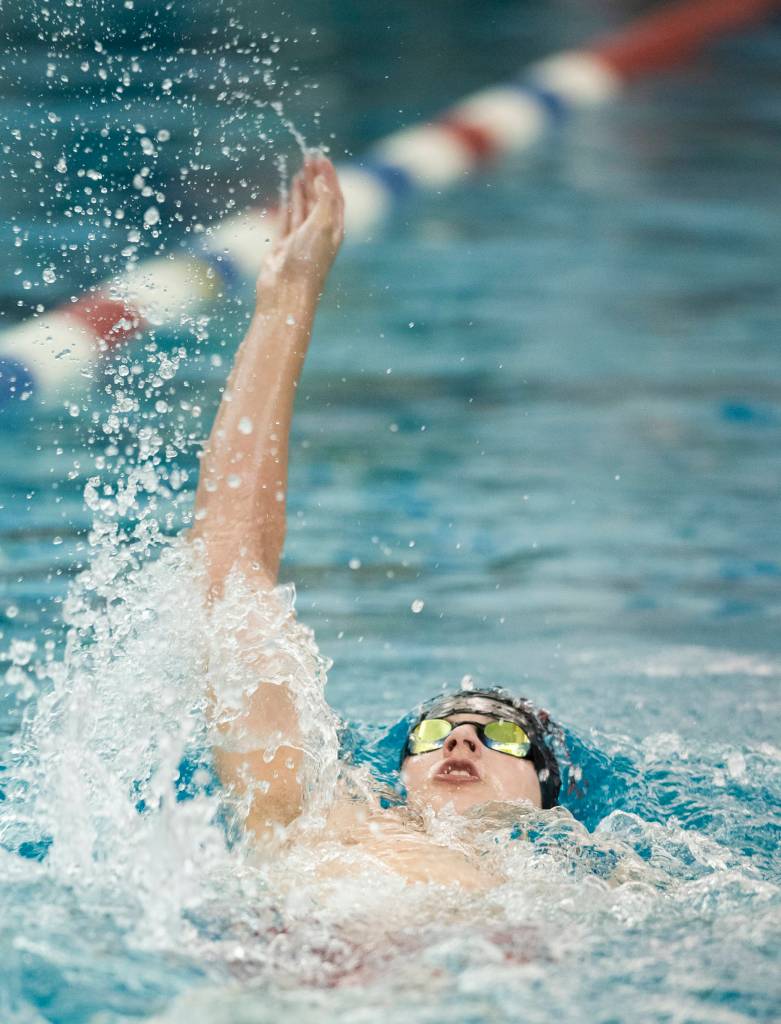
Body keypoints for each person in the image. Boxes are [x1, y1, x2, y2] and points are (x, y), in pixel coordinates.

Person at [190, 154, 562, 889]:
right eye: (432, 731)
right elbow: (230, 574)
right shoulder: (315, 819)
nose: (459, 736)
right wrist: (285, 296)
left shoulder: (605, 889)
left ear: (547, 795)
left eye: (504, 736)